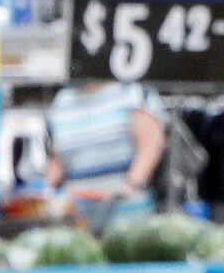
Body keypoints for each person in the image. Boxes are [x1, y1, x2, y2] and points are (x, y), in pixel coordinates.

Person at [43, 78, 168, 210]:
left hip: (126, 208)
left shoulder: (131, 90)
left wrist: (131, 185)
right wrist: (47, 191)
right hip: (77, 207)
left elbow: (151, 143)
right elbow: (57, 157)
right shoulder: (62, 100)